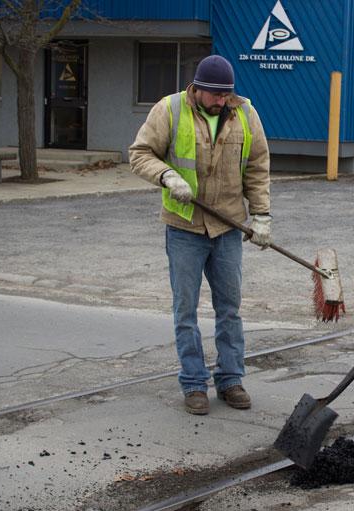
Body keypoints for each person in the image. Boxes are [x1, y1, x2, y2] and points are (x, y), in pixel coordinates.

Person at [129, 55, 271, 415]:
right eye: (215, 95)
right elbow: (140, 154)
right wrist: (167, 176)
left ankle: (231, 379)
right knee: (185, 310)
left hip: (228, 226)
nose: (221, 101)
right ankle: (194, 383)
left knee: (230, 309)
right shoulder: (170, 110)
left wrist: (262, 216)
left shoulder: (244, 114)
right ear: (197, 88)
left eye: (226, 95)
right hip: (184, 227)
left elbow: (257, 166)